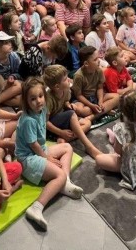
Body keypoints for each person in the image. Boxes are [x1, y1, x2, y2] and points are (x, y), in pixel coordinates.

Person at [16, 77, 83, 231]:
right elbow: (33, 144)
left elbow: (44, 125)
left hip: (40, 149)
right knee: (59, 174)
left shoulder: (43, 109)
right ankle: (36, 207)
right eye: (33, 99)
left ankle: (64, 183)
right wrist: (47, 158)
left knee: (67, 147)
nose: (38, 101)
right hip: (28, 158)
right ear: (26, 101)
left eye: (40, 96)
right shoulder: (28, 120)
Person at [43, 65, 102, 156]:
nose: (69, 79)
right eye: (65, 79)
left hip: (62, 118)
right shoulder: (48, 99)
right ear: (57, 86)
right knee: (72, 114)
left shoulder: (66, 90)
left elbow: (65, 101)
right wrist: (60, 132)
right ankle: (89, 147)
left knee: (87, 123)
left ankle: (64, 138)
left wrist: (68, 105)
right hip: (51, 125)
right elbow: (45, 122)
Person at [72, 46, 120, 115]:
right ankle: (104, 110)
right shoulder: (78, 76)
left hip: (96, 97)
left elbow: (100, 88)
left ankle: (96, 112)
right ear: (86, 64)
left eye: (98, 58)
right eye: (95, 60)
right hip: (84, 100)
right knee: (80, 110)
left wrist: (100, 101)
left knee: (117, 97)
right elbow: (79, 95)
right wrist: (91, 105)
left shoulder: (99, 70)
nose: (99, 61)